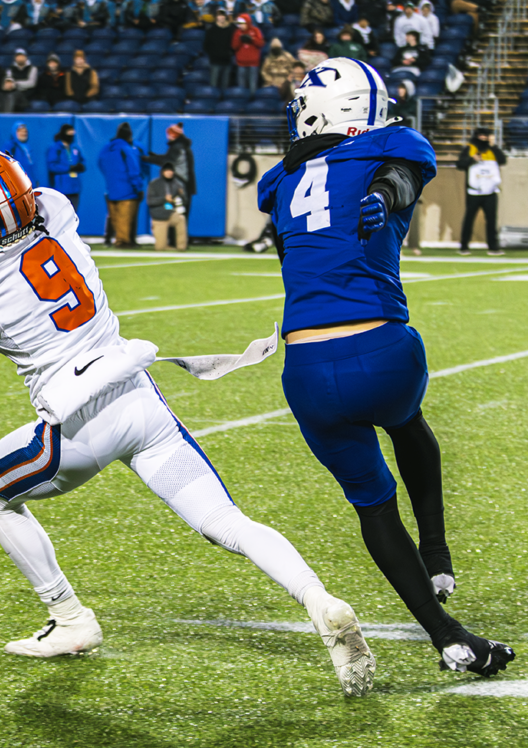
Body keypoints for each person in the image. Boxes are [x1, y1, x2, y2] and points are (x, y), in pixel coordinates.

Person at [0, 145, 377, 698]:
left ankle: (70, 617)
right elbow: (12, 263)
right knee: (226, 520)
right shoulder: (54, 207)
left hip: (77, 424)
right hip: (138, 396)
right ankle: (317, 598)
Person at [258, 57, 515, 679]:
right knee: (408, 426)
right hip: (383, 353)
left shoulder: (282, 180)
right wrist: (381, 193)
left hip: (307, 370)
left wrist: (378, 193)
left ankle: (449, 638)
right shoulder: (391, 148)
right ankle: (437, 551)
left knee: (374, 506)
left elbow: (327, 217)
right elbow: (398, 177)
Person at [456, 127, 506, 257]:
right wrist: (472, 159)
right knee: (469, 219)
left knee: (491, 220)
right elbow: (460, 164)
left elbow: (502, 160)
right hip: (473, 192)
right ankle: (464, 246)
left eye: (486, 135)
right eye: (481, 135)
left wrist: (493, 146)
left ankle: (493, 247)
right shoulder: (469, 148)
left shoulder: (492, 150)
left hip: (490, 192)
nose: (484, 138)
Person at [97, 121, 143, 248]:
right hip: (128, 189)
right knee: (126, 218)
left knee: (115, 217)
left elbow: (100, 164)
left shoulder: (106, 148)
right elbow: (133, 170)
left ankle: (118, 239)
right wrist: (138, 187)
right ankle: (123, 241)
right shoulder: (127, 148)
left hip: (111, 188)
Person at [142, 122, 195, 216]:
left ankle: (173, 230)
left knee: (175, 214)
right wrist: (155, 156)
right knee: (180, 213)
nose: (167, 136)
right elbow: (169, 158)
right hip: (185, 185)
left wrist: (148, 159)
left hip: (179, 185)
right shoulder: (182, 147)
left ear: (173, 134)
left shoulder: (176, 147)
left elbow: (167, 161)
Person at [147, 162, 189, 251]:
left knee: (181, 218)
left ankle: (181, 246)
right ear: (162, 172)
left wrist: (182, 195)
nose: (169, 172)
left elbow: (184, 201)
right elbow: (150, 201)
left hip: (171, 213)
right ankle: (167, 247)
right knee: (160, 248)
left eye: (171, 171)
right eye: (167, 171)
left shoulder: (177, 184)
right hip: (159, 216)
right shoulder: (154, 184)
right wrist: (164, 199)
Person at [45, 123, 85, 212]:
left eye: (72, 134)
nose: (70, 136)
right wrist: (69, 168)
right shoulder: (55, 148)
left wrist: (80, 166)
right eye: (68, 133)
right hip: (61, 188)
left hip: (74, 187)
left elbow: (82, 160)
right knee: (61, 215)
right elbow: (52, 165)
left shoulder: (75, 147)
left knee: (73, 215)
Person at [232, 13, 264, 92]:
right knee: (241, 86)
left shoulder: (255, 30)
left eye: (243, 23)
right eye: (239, 24)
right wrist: (240, 40)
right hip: (241, 63)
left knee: (252, 86)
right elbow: (234, 46)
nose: (241, 25)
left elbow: (261, 43)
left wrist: (252, 39)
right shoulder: (237, 32)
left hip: (253, 63)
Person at [204, 11, 236, 90]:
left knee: (225, 85)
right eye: (219, 16)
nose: (221, 17)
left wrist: (230, 53)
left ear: (225, 17)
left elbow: (234, 44)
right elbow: (206, 45)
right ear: (216, 18)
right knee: (213, 84)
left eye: (223, 15)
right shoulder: (211, 30)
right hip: (215, 61)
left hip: (227, 61)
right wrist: (213, 54)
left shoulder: (231, 30)